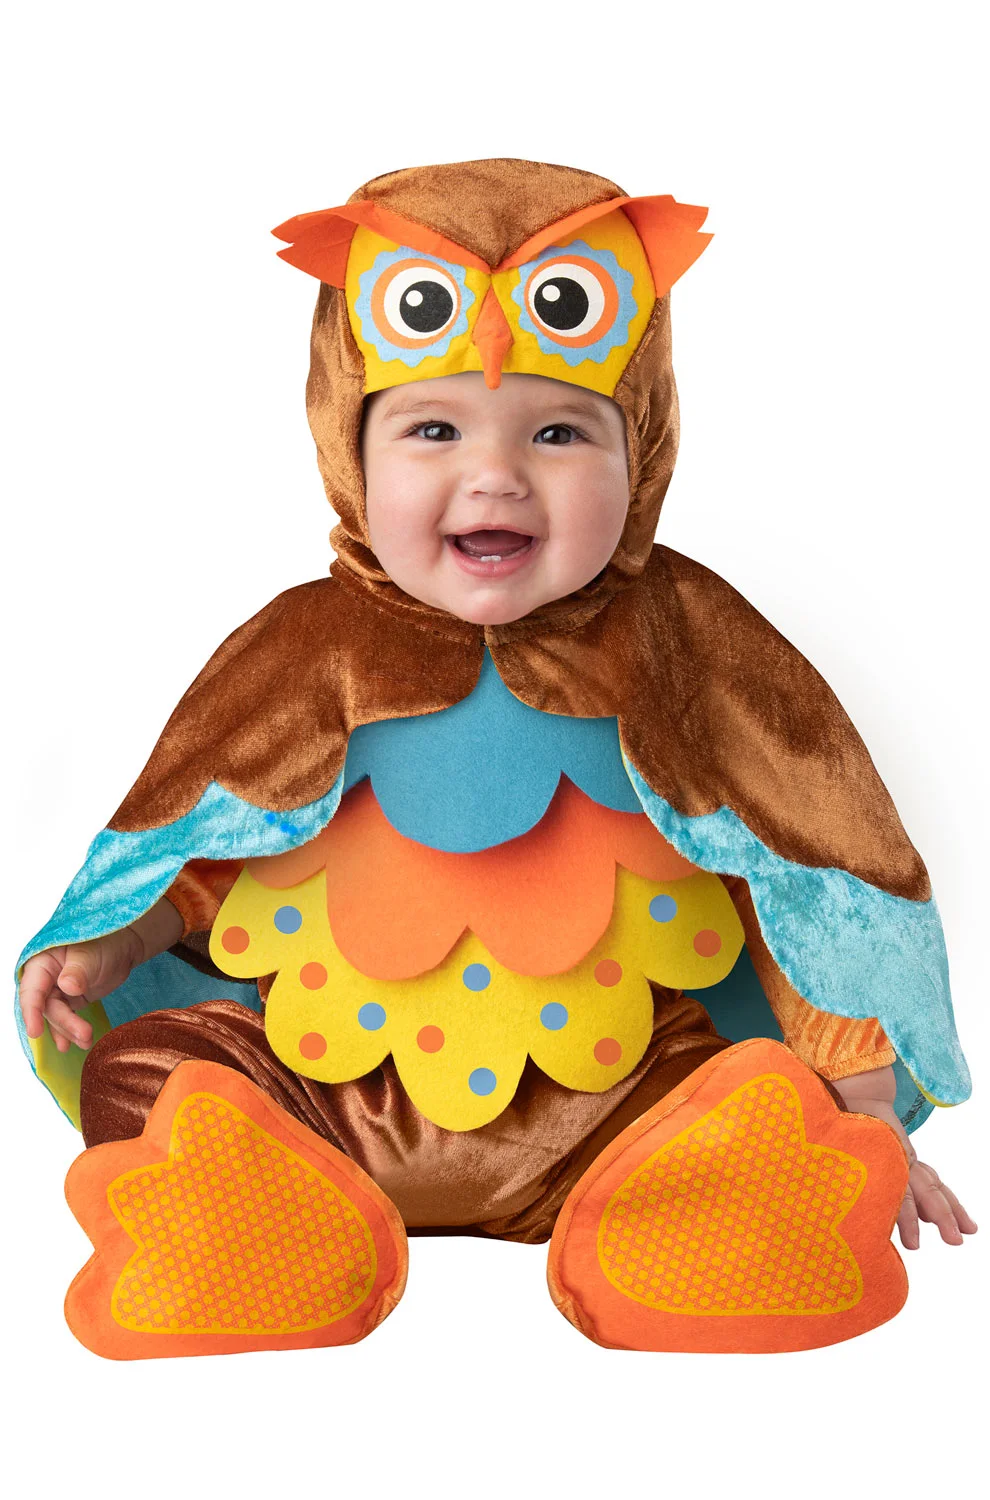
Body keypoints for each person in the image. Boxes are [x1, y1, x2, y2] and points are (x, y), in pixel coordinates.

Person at [14, 158, 976, 1359]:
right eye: (432, 428)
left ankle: (690, 1219)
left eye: (560, 431)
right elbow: (220, 855)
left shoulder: (689, 652)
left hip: (615, 1097)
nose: (497, 474)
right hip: (321, 1093)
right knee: (157, 1071)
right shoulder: (303, 653)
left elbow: (800, 886)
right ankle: (266, 1217)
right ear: (349, 447)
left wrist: (864, 1113)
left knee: (739, 1093)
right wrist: (119, 938)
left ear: (644, 450)